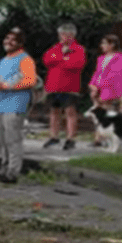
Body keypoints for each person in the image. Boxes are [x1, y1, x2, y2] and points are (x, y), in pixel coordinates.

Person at [0, 27, 37, 184]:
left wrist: (8, 87)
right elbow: (0, 81)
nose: (8, 42)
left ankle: (13, 171)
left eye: (13, 40)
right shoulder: (3, 60)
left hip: (16, 104)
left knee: (13, 138)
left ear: (20, 43)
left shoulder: (25, 59)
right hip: (1, 103)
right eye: (7, 38)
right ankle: (3, 165)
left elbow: (30, 80)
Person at [42, 22, 86, 150]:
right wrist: (63, 58)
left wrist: (59, 60)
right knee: (54, 112)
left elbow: (76, 64)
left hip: (69, 86)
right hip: (53, 85)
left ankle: (70, 138)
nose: (62, 37)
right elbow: (47, 59)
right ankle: (54, 136)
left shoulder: (78, 49)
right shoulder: (55, 48)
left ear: (71, 35)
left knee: (70, 112)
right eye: (61, 34)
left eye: (65, 34)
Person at [88, 34, 122, 112]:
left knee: (107, 112)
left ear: (112, 45)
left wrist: (98, 88)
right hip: (98, 90)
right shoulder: (101, 58)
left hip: (109, 90)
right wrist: (92, 85)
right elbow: (97, 73)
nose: (102, 46)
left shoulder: (119, 58)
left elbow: (114, 75)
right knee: (99, 113)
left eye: (104, 43)